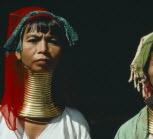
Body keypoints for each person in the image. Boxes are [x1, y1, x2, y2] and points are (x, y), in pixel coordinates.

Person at [0, 7, 91, 139]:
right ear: (17, 51)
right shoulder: (1, 120)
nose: (43, 49)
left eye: (53, 41)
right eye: (33, 40)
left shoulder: (75, 123)